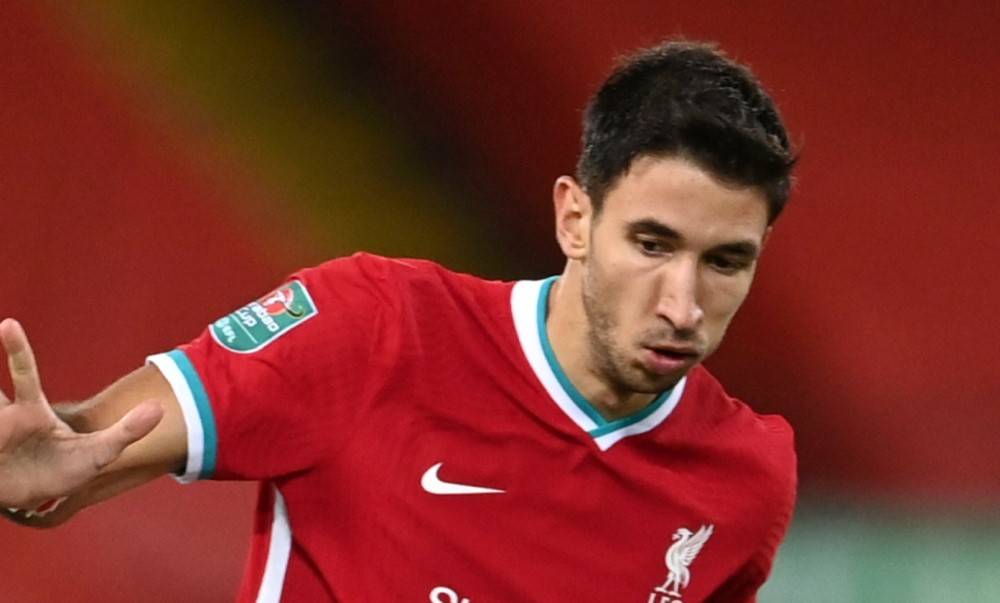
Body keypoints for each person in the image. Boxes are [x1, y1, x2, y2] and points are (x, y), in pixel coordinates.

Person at [0, 39, 797, 602]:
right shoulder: (372, 326)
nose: (682, 304)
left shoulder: (746, 479)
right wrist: (39, 470)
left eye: (726, 261)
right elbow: (84, 458)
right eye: (651, 244)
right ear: (575, 218)